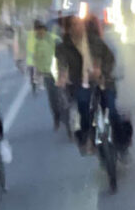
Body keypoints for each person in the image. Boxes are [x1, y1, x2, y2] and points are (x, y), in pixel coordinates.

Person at [56, 15, 116, 153]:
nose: (79, 27)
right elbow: (62, 64)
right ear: (69, 29)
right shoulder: (63, 48)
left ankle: (122, 144)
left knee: (112, 111)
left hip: (102, 80)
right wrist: (63, 76)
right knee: (84, 106)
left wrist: (102, 71)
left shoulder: (94, 41)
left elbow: (109, 58)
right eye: (75, 25)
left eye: (80, 23)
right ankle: (87, 139)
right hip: (81, 83)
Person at [33, 22, 61, 128]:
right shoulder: (37, 43)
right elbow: (37, 59)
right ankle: (56, 117)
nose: (38, 32)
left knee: (64, 96)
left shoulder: (55, 40)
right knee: (53, 98)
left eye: (40, 30)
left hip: (60, 72)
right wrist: (37, 73)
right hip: (48, 75)